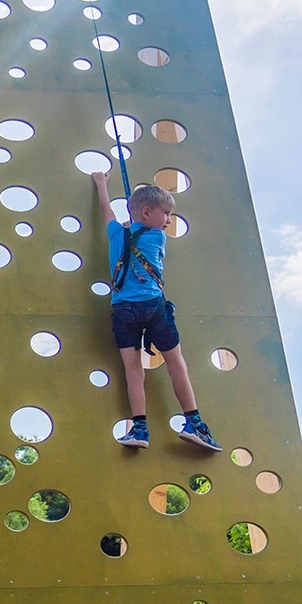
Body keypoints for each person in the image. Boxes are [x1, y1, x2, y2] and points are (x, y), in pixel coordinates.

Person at [92, 171, 221, 452]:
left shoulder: (116, 233)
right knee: (176, 364)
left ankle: (139, 428)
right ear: (148, 213)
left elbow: (106, 209)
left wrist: (101, 183)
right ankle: (195, 423)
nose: (168, 220)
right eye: (166, 214)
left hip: (123, 310)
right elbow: (144, 230)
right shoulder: (157, 238)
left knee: (133, 370)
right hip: (153, 308)